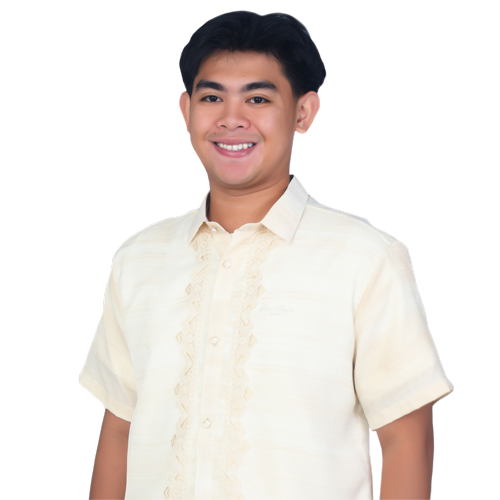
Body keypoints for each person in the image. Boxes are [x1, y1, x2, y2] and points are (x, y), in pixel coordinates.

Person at [78, 10, 454, 500]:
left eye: (258, 98)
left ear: (304, 112)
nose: (231, 118)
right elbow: (119, 430)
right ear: (186, 110)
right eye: (212, 97)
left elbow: (406, 440)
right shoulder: (138, 259)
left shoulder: (366, 258)